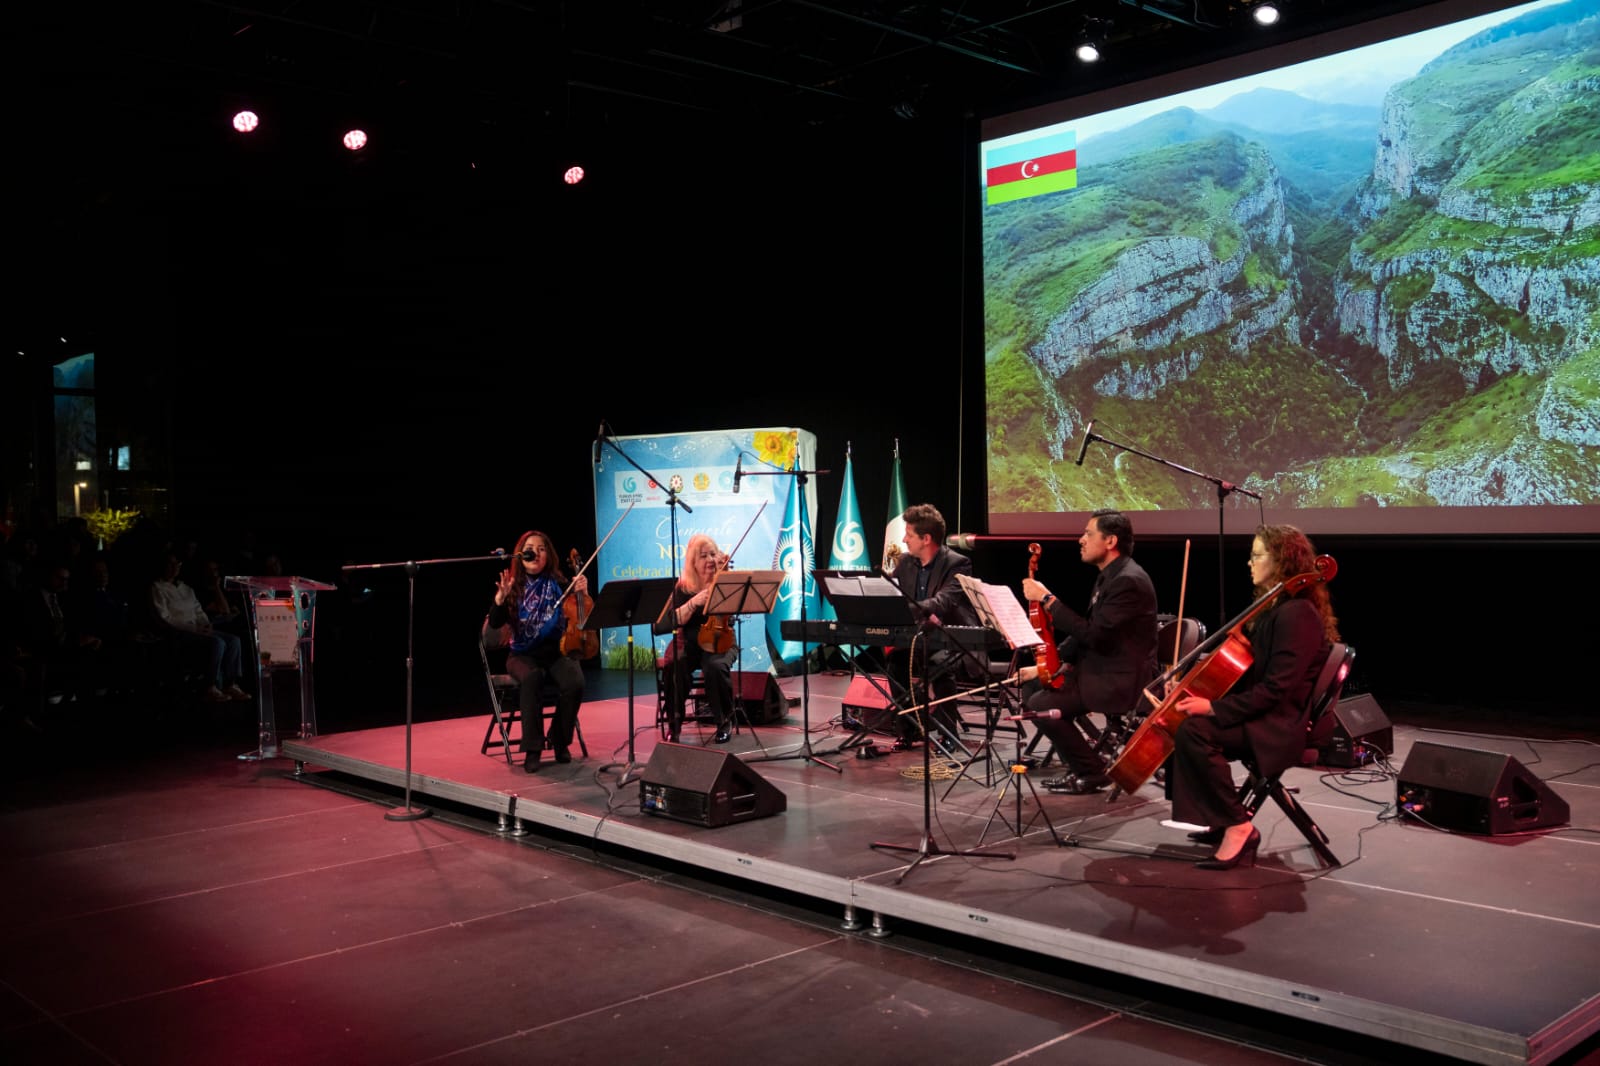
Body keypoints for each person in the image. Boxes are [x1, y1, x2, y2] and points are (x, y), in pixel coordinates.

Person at [1169, 524, 1339, 870]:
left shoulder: (1296, 615)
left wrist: (1213, 707)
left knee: (1196, 731)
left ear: (1281, 562)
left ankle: (1238, 826)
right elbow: (1242, 670)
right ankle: (1220, 817)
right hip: (1265, 715)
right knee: (1187, 724)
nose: (1249, 563)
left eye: (1257, 555)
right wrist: (1189, 684)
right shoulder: (1272, 609)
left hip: (1278, 726)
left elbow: (1277, 690)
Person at [1018, 509, 1159, 794]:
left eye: (1088, 534)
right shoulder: (1111, 575)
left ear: (1110, 541)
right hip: (1102, 668)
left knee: (1040, 705)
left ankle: (1091, 771)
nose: (1081, 540)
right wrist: (1054, 663)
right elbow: (1090, 630)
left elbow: (1093, 634)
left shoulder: (1127, 580)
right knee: (1035, 684)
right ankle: (1082, 764)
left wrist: (1047, 599)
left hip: (1120, 680)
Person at [488, 530, 587, 772]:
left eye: (542, 548)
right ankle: (533, 749)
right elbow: (494, 627)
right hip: (521, 655)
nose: (536, 552)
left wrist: (582, 592)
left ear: (548, 555)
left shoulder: (560, 583)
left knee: (575, 682)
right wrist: (499, 601)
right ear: (520, 554)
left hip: (555, 652)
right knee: (533, 677)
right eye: (530, 548)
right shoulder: (513, 585)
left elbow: (581, 617)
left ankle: (559, 741)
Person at [886, 503, 978, 748]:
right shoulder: (905, 562)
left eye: (909, 534)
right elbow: (892, 597)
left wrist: (907, 609)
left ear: (926, 539)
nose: (904, 540)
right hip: (916, 637)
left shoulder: (958, 563)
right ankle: (910, 729)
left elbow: (944, 601)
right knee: (895, 663)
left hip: (952, 639)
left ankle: (949, 734)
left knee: (938, 663)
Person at [653, 533, 736, 744]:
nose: (709, 559)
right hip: (689, 642)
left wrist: (724, 578)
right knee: (675, 666)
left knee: (715, 668)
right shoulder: (683, 587)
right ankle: (675, 723)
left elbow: (733, 615)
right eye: (703, 556)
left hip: (720, 641)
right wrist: (694, 602)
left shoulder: (725, 582)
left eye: (712, 554)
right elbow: (665, 623)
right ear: (693, 562)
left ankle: (724, 721)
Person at [150, 552, 250, 702]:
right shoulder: (157, 588)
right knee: (218, 643)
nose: (174, 567)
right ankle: (210, 685)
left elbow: (198, 610)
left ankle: (230, 683)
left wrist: (205, 624)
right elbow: (165, 618)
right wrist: (193, 628)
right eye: (170, 564)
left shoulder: (186, 588)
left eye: (176, 564)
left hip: (198, 629)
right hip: (180, 632)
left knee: (234, 640)